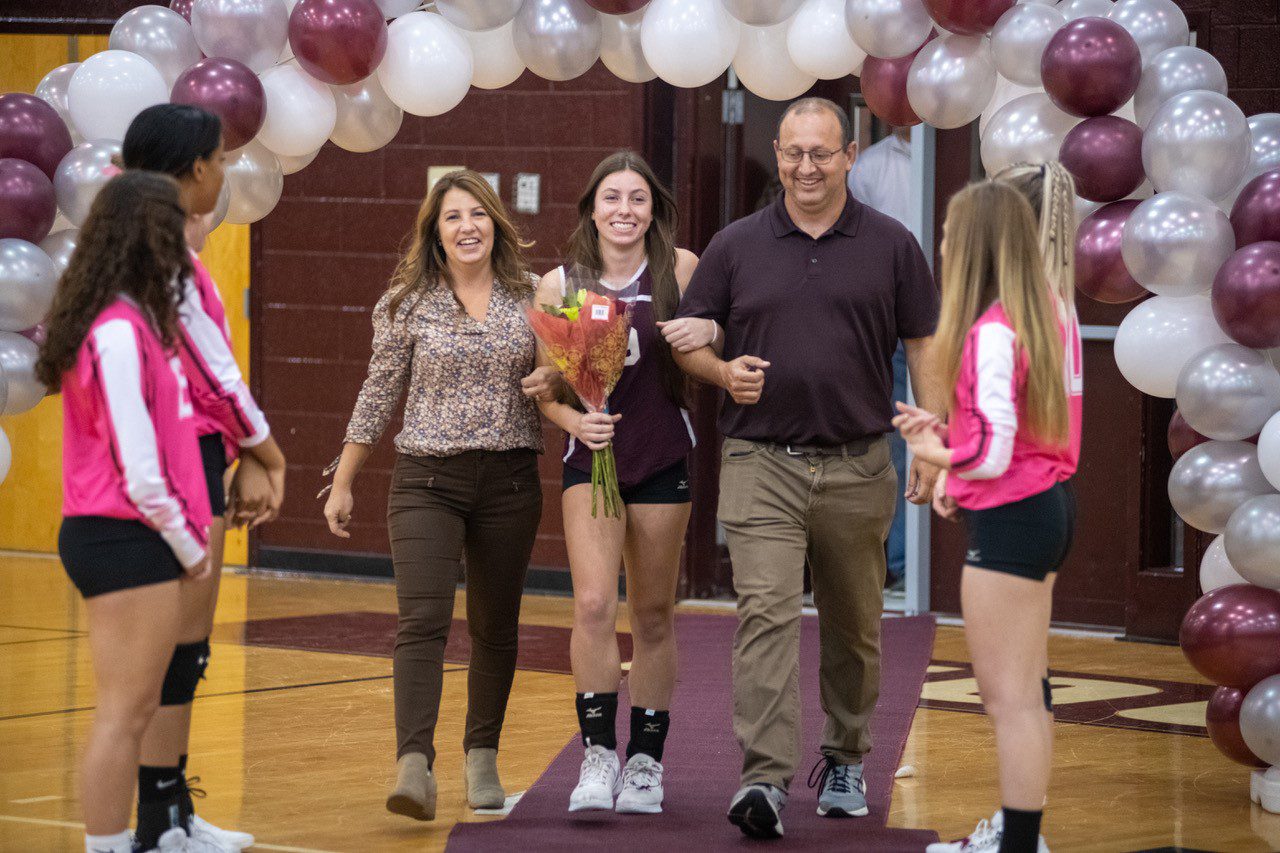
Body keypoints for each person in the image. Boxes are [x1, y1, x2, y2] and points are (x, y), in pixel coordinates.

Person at [671, 97, 942, 838]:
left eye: (821, 153)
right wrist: (722, 372)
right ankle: (763, 778)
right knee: (766, 613)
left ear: (850, 156)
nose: (806, 167)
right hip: (761, 462)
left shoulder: (892, 244)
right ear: (779, 155)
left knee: (855, 624)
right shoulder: (735, 244)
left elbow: (923, 342)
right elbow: (692, 341)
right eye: (793, 152)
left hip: (858, 465)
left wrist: (929, 437)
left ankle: (847, 757)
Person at [323, 169, 553, 821]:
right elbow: (378, 392)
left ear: (496, 224)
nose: (467, 226)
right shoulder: (406, 303)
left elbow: (561, 380)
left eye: (477, 214)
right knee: (422, 620)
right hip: (426, 481)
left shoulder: (535, 295)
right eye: (453, 216)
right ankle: (413, 764)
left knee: (494, 626)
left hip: (510, 482)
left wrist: (556, 380)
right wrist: (343, 480)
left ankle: (482, 755)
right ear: (436, 232)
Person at [895, 178, 1081, 853]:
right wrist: (950, 440)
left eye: (950, 233)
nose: (942, 244)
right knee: (1026, 690)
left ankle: (1018, 843)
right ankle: (1019, 837)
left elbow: (994, 450)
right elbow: (1010, 429)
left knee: (1011, 699)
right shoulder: (1036, 316)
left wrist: (937, 452)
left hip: (1015, 518)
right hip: (1039, 509)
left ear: (975, 245)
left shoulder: (994, 331)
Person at [119, 102, 286, 853]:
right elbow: (214, 370)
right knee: (170, 650)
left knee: (187, 650)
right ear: (193, 168)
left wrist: (240, 452)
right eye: (218, 159)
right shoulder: (154, 255)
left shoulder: (164, 243)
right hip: (175, 457)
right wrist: (268, 453)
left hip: (200, 451)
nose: (224, 172)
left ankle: (171, 812)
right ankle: (155, 821)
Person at [35, 171, 213, 853]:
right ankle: (106, 845)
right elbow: (139, 469)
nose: (189, 235)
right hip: (120, 536)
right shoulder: (115, 330)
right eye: (177, 224)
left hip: (130, 536)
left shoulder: (136, 320)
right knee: (122, 713)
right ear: (146, 235)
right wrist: (189, 545)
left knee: (134, 708)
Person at [528, 152, 705, 815]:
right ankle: (597, 754)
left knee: (653, 613)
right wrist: (577, 417)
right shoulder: (561, 282)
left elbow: (706, 346)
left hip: (659, 455)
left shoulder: (680, 269)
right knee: (595, 604)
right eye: (612, 197)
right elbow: (546, 389)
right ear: (592, 209)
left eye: (637, 198)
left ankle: (646, 763)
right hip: (592, 460)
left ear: (653, 210)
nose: (624, 210)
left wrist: (712, 330)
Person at [848, 125, 913, 591]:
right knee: (895, 442)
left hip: (950, 316)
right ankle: (900, 565)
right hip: (887, 325)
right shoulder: (869, 167)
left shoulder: (960, 151)